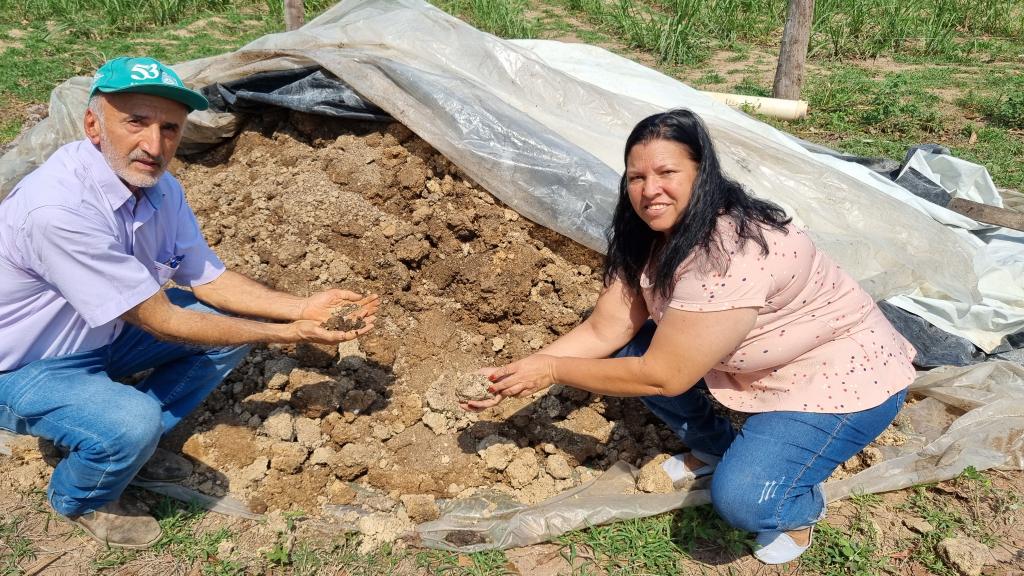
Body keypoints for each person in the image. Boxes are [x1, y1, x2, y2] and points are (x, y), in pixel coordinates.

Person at [463, 109, 915, 564]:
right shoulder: (649, 234)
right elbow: (607, 328)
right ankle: (717, 444)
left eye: (667, 172)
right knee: (629, 347)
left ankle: (796, 506)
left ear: (703, 174)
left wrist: (553, 370)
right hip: (756, 362)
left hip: (835, 375)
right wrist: (520, 371)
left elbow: (665, 377)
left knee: (744, 501)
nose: (649, 189)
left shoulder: (729, 251)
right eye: (636, 176)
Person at [0, 56, 379, 549]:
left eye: (170, 128)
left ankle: (129, 445)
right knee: (129, 421)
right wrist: (289, 333)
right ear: (93, 124)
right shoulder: (60, 210)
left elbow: (208, 280)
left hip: (103, 335)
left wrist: (301, 306)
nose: (154, 145)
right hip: (25, 365)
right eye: (136, 122)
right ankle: (83, 496)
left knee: (228, 325)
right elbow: (162, 321)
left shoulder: (160, 190)